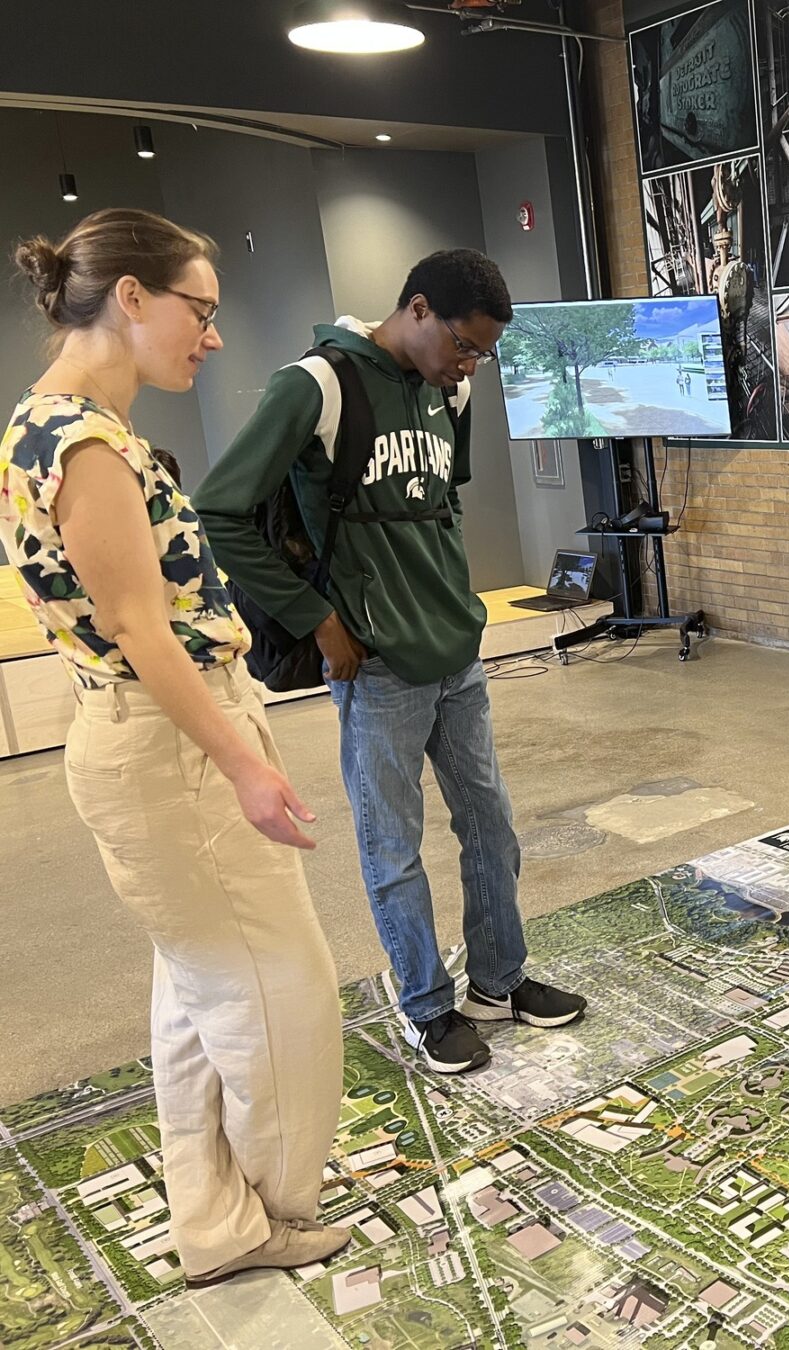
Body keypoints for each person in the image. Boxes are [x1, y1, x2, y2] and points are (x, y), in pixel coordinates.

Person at [1, 210, 348, 1284]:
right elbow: (144, 632)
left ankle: (220, 1223)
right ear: (134, 298)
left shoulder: (43, 424)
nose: (214, 337)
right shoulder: (88, 444)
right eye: (201, 310)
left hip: (145, 736)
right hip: (170, 744)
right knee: (281, 993)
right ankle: (279, 1207)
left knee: (202, 999)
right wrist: (245, 761)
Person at [195, 249, 587, 1076]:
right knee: (393, 846)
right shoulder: (316, 385)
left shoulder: (455, 389)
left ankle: (499, 980)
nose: (470, 363)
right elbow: (222, 511)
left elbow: (439, 504)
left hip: (456, 651)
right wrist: (319, 618)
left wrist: (460, 610)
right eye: (464, 344)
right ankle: (428, 1008)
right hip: (375, 665)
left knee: (492, 825)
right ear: (416, 309)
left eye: (482, 352)